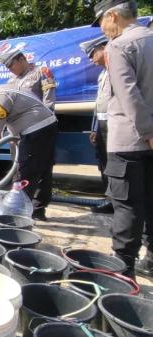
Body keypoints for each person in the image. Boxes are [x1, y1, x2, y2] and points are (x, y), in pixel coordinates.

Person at [93, 0, 153, 278]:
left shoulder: (118, 46)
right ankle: (150, 258)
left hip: (131, 140)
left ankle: (122, 270)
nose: (103, 30)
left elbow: (129, 94)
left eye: (102, 23)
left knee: (127, 204)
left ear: (112, 16)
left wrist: (148, 131)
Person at [0, 75, 57, 221]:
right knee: (43, 170)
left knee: (24, 174)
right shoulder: (8, 88)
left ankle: (16, 217)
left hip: (34, 131)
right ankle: (37, 211)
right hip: (48, 125)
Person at [80, 36, 114, 214]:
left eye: (93, 54)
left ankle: (120, 201)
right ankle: (111, 199)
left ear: (103, 48)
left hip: (116, 124)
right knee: (104, 162)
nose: (91, 60)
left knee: (117, 163)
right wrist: (94, 128)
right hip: (102, 125)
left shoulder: (118, 68)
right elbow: (98, 103)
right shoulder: (103, 73)